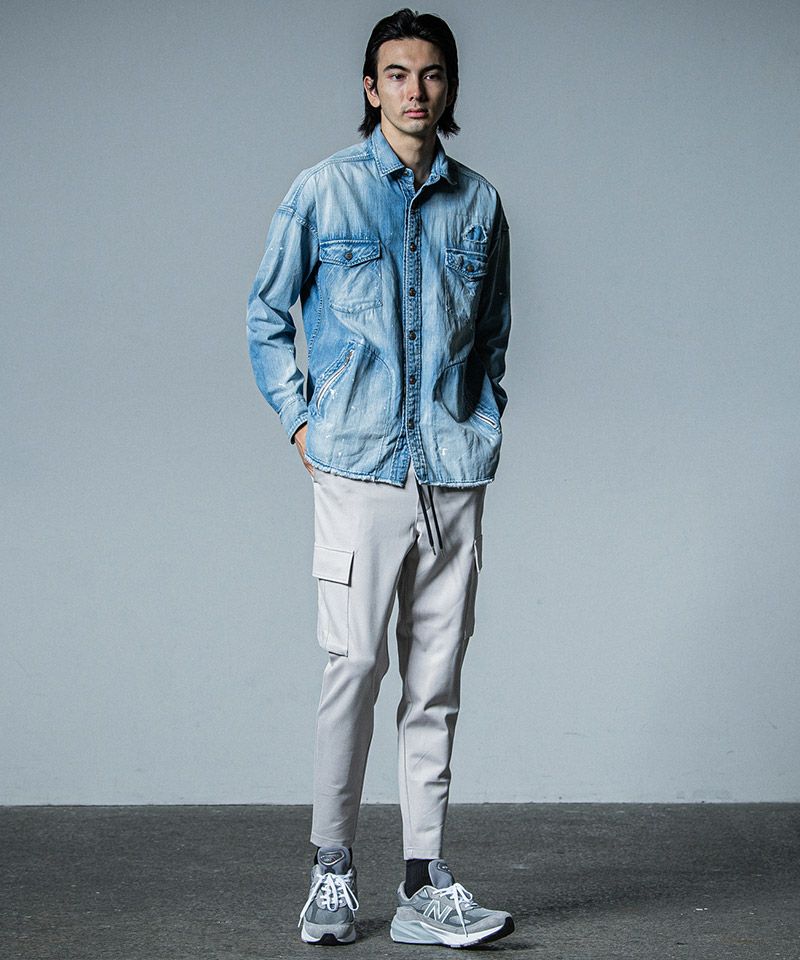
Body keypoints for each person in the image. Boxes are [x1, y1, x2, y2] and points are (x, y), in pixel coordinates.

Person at [246, 7, 513, 948]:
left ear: (450, 87)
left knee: (435, 683)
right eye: (396, 74)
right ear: (371, 88)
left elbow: (492, 336)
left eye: (431, 73)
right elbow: (266, 316)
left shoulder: (479, 204)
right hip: (357, 468)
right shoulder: (322, 192)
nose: (414, 90)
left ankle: (422, 883)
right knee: (354, 667)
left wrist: (481, 421)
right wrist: (301, 420)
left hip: (451, 475)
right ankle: (331, 870)